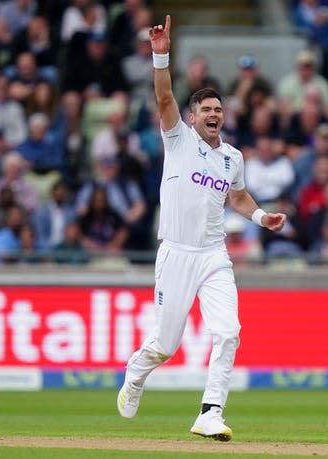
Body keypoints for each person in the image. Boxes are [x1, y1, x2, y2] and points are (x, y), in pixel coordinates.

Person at [116, 15, 286, 441]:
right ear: (191, 117)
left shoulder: (233, 157)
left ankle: (210, 412)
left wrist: (263, 217)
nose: (214, 114)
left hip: (214, 254)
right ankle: (136, 373)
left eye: (218, 110)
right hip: (175, 252)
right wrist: (161, 55)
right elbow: (164, 97)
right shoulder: (178, 139)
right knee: (165, 345)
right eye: (206, 110)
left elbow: (238, 197)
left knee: (229, 332)